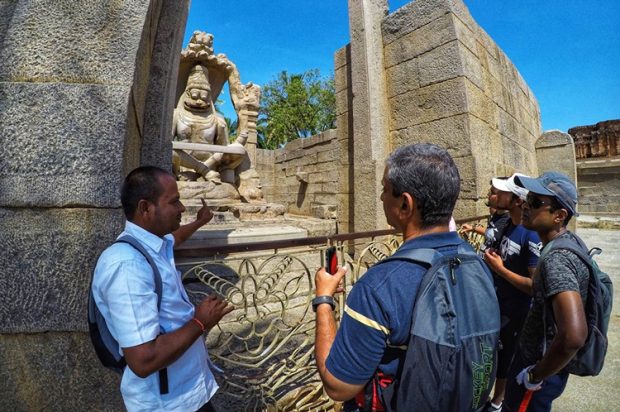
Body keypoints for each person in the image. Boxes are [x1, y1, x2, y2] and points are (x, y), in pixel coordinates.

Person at [313, 143, 495, 410]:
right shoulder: (477, 263)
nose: (381, 198)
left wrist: (324, 301)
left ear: (405, 204)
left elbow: (338, 386)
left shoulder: (379, 286)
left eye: (385, 189)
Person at [91, 166, 233, 412]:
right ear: (146, 208)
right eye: (174, 202)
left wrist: (200, 222)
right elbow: (143, 359)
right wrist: (200, 322)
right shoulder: (127, 266)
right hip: (169, 403)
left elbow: (175, 238)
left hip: (188, 390)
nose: (181, 209)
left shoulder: (154, 241)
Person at [503, 172, 588, 411]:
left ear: (559, 216)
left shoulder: (557, 260)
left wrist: (535, 375)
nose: (526, 205)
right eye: (527, 198)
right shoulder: (568, 243)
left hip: (537, 371)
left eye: (536, 203)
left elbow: (573, 336)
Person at [481, 173, 541, 412]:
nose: (495, 194)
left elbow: (534, 286)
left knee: (507, 359)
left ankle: (498, 402)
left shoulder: (531, 234)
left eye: (501, 191)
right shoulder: (507, 225)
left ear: (517, 200)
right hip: (498, 302)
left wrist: (501, 270)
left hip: (517, 312)